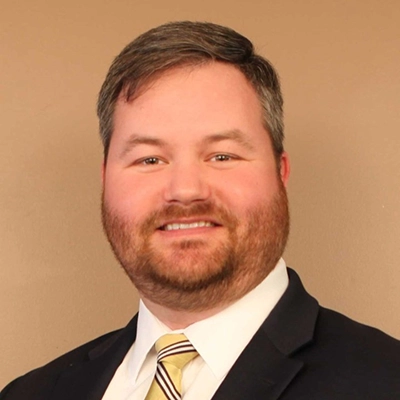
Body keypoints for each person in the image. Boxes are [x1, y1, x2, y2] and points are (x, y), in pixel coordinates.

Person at [1, 21, 399, 400]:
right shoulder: (31, 393)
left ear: (281, 172)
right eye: (149, 160)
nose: (185, 190)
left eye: (222, 155)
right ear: (105, 179)